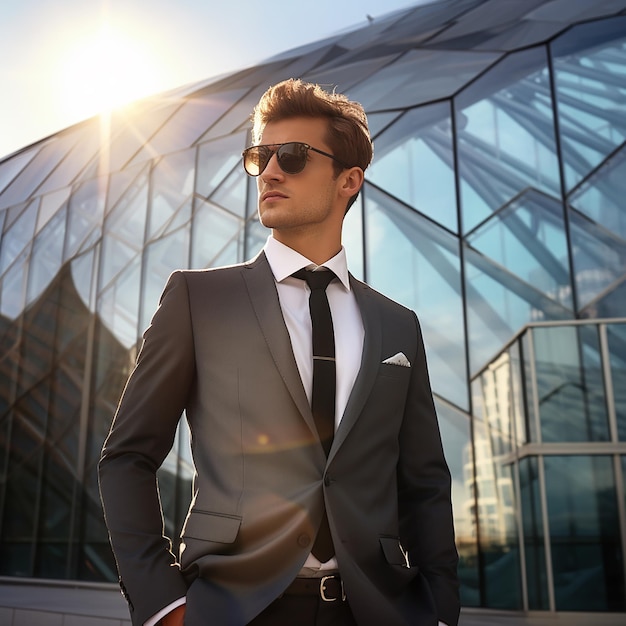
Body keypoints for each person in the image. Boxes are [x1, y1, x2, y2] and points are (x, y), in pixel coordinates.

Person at [99, 78, 459, 626]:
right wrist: (161, 604)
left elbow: (425, 483)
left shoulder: (398, 326)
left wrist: (439, 611)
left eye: (291, 157)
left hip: (377, 610)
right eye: (260, 157)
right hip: (233, 610)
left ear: (348, 180)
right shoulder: (199, 299)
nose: (269, 172)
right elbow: (127, 457)